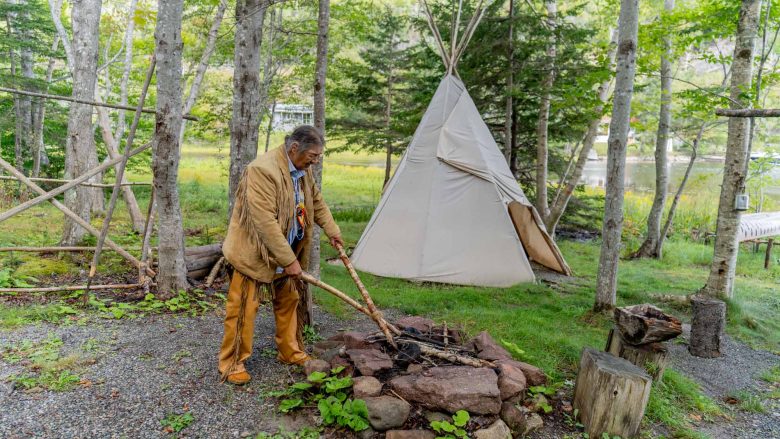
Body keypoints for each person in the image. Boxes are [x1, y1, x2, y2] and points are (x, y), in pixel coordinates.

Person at [218, 125, 343, 385]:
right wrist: (289, 261)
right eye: (314, 155)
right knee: (243, 309)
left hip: (288, 251)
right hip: (253, 254)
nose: (316, 160)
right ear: (294, 148)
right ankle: (232, 363)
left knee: (289, 301)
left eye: (319, 156)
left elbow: (315, 201)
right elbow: (264, 222)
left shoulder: (302, 171)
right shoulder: (262, 170)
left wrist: (332, 230)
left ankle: (290, 351)